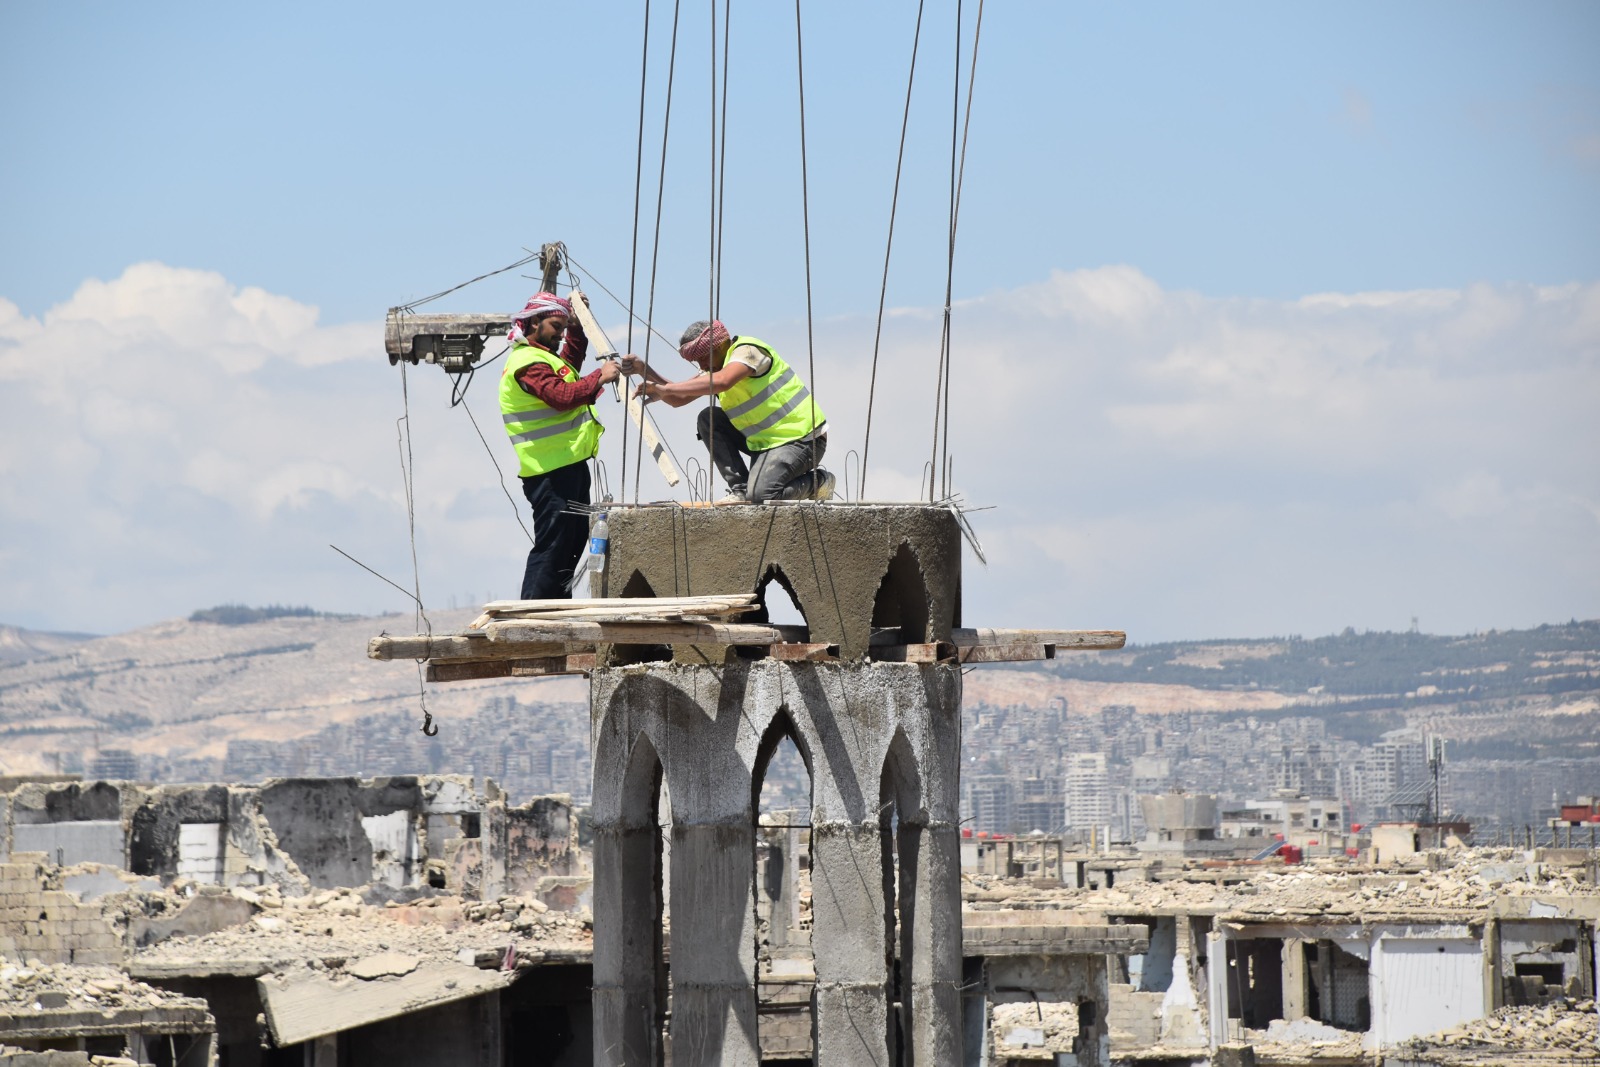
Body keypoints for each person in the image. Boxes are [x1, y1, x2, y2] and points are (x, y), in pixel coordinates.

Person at [621, 320, 834, 503]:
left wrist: (664, 389)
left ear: (722, 344)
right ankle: (740, 490)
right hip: (765, 443)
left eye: (704, 356)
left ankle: (819, 481)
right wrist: (644, 370)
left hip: (802, 440)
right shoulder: (714, 369)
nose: (702, 364)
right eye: (697, 361)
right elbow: (678, 398)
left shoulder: (747, 351)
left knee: (763, 496)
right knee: (709, 418)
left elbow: (723, 382)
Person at [500, 292, 621, 599]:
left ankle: (553, 608)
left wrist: (579, 328)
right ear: (534, 322)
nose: (561, 333)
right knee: (554, 545)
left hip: (568, 466)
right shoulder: (526, 363)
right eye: (557, 325)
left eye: (565, 327)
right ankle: (533, 615)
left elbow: (569, 369)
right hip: (550, 473)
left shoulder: (545, 358)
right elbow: (562, 397)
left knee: (572, 541)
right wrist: (600, 376)